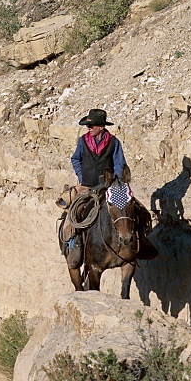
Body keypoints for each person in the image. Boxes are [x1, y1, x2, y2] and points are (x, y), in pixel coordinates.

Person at [60, 109, 128, 268]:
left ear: (101, 127)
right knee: (74, 214)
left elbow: (119, 163)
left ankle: (135, 243)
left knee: (128, 209)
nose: (88, 129)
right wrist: (82, 177)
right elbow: (75, 159)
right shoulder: (82, 141)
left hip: (109, 186)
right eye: (88, 126)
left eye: (91, 126)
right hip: (87, 186)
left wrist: (115, 179)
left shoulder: (114, 142)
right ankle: (74, 245)